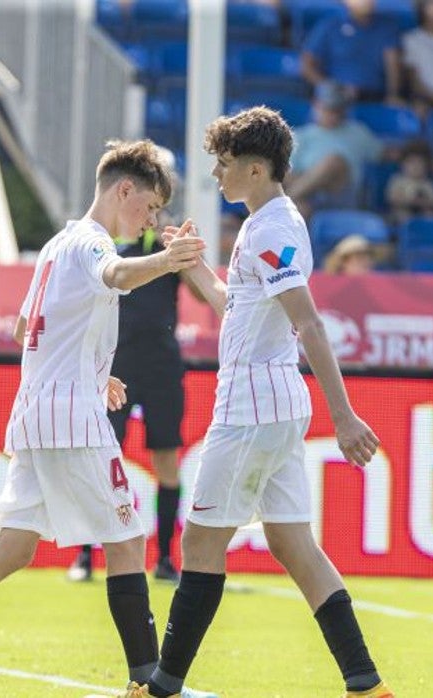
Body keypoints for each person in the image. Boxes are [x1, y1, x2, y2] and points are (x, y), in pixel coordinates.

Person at [0, 140, 215, 698]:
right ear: (124, 190)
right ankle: (149, 685)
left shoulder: (57, 244)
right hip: (71, 419)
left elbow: (24, 329)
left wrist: (92, 369)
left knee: (15, 547)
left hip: (37, 411)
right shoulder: (93, 242)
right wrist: (167, 260)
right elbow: (117, 275)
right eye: (151, 207)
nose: (152, 221)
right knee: (127, 541)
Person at [124, 107, 392, 698]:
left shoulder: (271, 230)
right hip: (274, 404)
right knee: (295, 545)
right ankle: (366, 686)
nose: (215, 173)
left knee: (200, 543)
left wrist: (344, 416)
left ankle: (162, 687)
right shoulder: (267, 223)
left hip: (250, 407)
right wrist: (192, 265)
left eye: (224, 163)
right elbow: (237, 306)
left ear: (256, 168)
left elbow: (309, 323)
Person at [66, 225, 196, 585]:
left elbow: (202, 295)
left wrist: (184, 256)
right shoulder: (106, 247)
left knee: (167, 460)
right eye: (147, 205)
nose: (150, 216)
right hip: (116, 366)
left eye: (157, 207)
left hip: (162, 368)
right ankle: (85, 554)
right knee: (102, 460)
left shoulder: (168, 249)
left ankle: (165, 558)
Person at [286, 82, 385, 217]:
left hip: (341, 194)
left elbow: (384, 155)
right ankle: (287, 202)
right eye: (328, 108)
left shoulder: (358, 132)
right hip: (307, 193)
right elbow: (287, 173)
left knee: (334, 162)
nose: (333, 114)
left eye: (337, 109)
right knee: (299, 206)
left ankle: (283, 202)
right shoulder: (301, 135)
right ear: (316, 105)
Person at [300, 0, 403, 105]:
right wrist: (329, 88)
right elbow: (307, 66)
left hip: (375, 96)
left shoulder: (387, 26)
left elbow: (392, 64)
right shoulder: (330, 25)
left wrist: (393, 94)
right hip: (335, 99)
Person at [384, 140, 433, 225]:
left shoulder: (428, 183)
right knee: (402, 215)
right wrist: (410, 201)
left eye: (420, 163)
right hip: (403, 215)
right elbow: (392, 199)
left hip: (423, 215)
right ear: (402, 164)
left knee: (432, 215)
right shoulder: (398, 181)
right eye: (411, 162)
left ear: (426, 167)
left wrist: (423, 202)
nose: (416, 167)